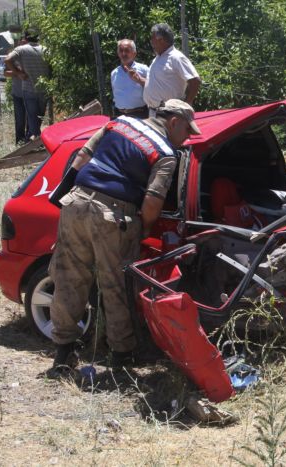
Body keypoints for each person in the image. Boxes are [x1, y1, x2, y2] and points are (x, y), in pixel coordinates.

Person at [46, 99, 201, 376]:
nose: (187, 137)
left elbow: (82, 157)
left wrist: (63, 196)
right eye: (187, 131)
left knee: (68, 279)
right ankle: (121, 358)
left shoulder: (119, 123)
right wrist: (142, 228)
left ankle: (63, 354)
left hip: (76, 203)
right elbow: (153, 200)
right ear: (173, 122)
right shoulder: (165, 153)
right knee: (115, 286)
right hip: (113, 215)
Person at [143, 23, 201, 117]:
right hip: (153, 112)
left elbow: (195, 81)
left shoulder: (176, 57)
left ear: (160, 39)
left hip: (169, 114)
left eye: (152, 38)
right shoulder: (157, 58)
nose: (151, 41)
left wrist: (186, 105)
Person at [5, 28, 50, 140]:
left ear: (26, 37)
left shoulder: (21, 49)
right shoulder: (46, 49)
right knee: (39, 118)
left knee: (31, 117)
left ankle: (32, 141)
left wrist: (18, 73)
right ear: (38, 38)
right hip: (43, 89)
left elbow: (7, 60)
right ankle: (34, 140)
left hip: (28, 89)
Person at [110, 39, 149, 119]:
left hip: (140, 114)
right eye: (121, 51)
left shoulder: (143, 69)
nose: (124, 53)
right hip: (119, 115)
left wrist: (139, 79)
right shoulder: (114, 73)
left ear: (134, 53)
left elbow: (153, 87)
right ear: (118, 53)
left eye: (127, 50)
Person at [4, 37, 28, 144]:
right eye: (21, 43)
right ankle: (19, 143)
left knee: (31, 121)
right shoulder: (13, 57)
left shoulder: (30, 56)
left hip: (30, 93)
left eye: (25, 43)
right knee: (19, 120)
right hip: (17, 94)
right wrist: (18, 73)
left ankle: (29, 142)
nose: (22, 45)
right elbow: (5, 73)